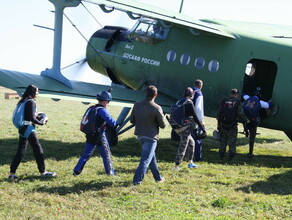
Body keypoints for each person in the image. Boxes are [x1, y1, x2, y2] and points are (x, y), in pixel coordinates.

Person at [9, 85, 56, 179]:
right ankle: (43, 172)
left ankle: (12, 173)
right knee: (38, 150)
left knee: (21, 150)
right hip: (29, 128)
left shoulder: (24, 100)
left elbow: (28, 115)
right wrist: (41, 123)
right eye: (37, 91)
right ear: (33, 92)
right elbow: (31, 118)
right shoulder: (31, 102)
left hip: (22, 128)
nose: (38, 93)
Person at [73, 90, 117, 176]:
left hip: (90, 134)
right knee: (106, 154)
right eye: (108, 101)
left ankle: (76, 171)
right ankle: (110, 172)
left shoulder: (91, 108)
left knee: (86, 154)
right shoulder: (102, 111)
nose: (108, 103)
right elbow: (113, 123)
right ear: (104, 101)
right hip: (100, 136)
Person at [130, 85, 166, 185]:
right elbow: (163, 125)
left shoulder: (137, 105)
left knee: (151, 158)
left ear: (145, 93)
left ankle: (158, 178)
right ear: (156, 95)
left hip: (140, 135)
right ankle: (137, 181)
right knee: (145, 160)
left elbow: (132, 120)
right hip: (151, 137)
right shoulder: (157, 108)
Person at [174, 87, 205, 169]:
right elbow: (195, 117)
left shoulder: (179, 101)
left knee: (191, 143)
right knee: (183, 146)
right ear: (191, 95)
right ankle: (177, 165)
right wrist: (202, 128)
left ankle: (190, 162)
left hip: (177, 127)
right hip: (184, 128)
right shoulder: (189, 103)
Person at [217, 88, 246, 160]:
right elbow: (240, 113)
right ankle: (231, 155)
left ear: (231, 93)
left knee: (223, 139)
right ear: (236, 94)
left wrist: (219, 123)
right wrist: (245, 120)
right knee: (232, 141)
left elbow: (218, 113)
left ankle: (221, 154)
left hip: (223, 124)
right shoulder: (238, 102)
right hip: (232, 124)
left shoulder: (224, 101)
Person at [242, 90, 273, 159]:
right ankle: (250, 153)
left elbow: (242, 94)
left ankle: (246, 129)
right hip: (253, 121)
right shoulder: (260, 102)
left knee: (245, 121)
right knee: (252, 138)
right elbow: (269, 105)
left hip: (245, 119)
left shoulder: (247, 98)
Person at [192, 79, 205, 162]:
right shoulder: (199, 93)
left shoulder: (190, 92)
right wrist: (201, 122)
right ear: (201, 86)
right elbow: (199, 109)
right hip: (195, 119)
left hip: (186, 119)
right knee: (197, 139)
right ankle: (198, 157)